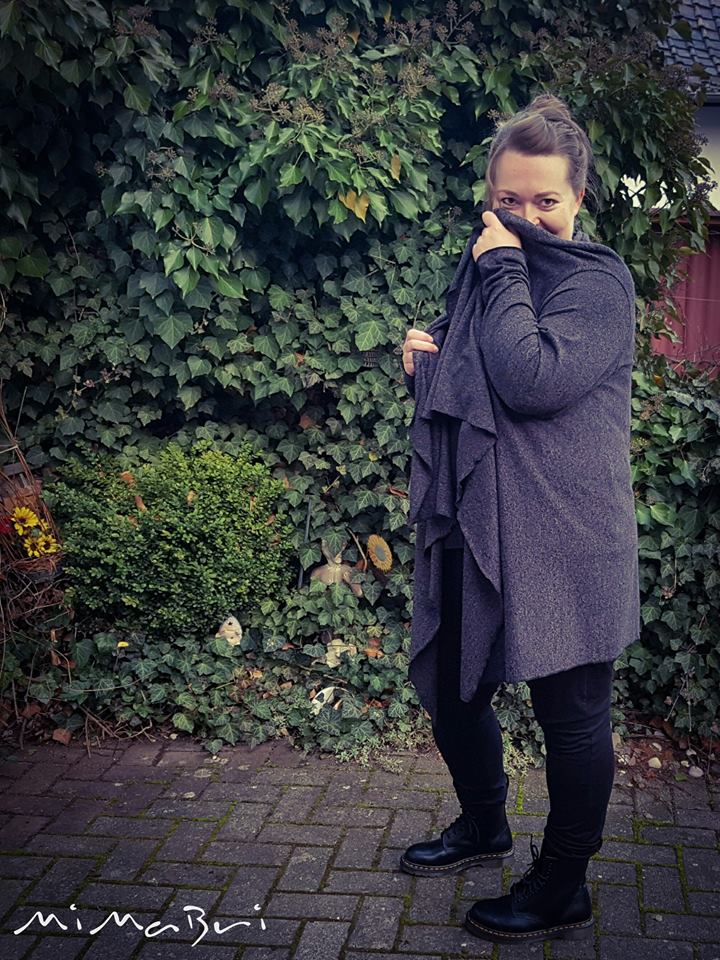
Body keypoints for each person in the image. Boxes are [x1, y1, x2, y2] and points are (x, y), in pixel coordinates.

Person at [399, 93, 640, 945]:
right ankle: (484, 824)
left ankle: (562, 886)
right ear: (488, 196)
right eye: (509, 200)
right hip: (483, 524)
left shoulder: (597, 282)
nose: (526, 217)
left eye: (546, 201)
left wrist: (501, 266)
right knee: (453, 684)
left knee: (571, 718)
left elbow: (532, 379)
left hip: (569, 538)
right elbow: (478, 387)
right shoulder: (486, 269)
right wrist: (423, 364)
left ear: (580, 199)